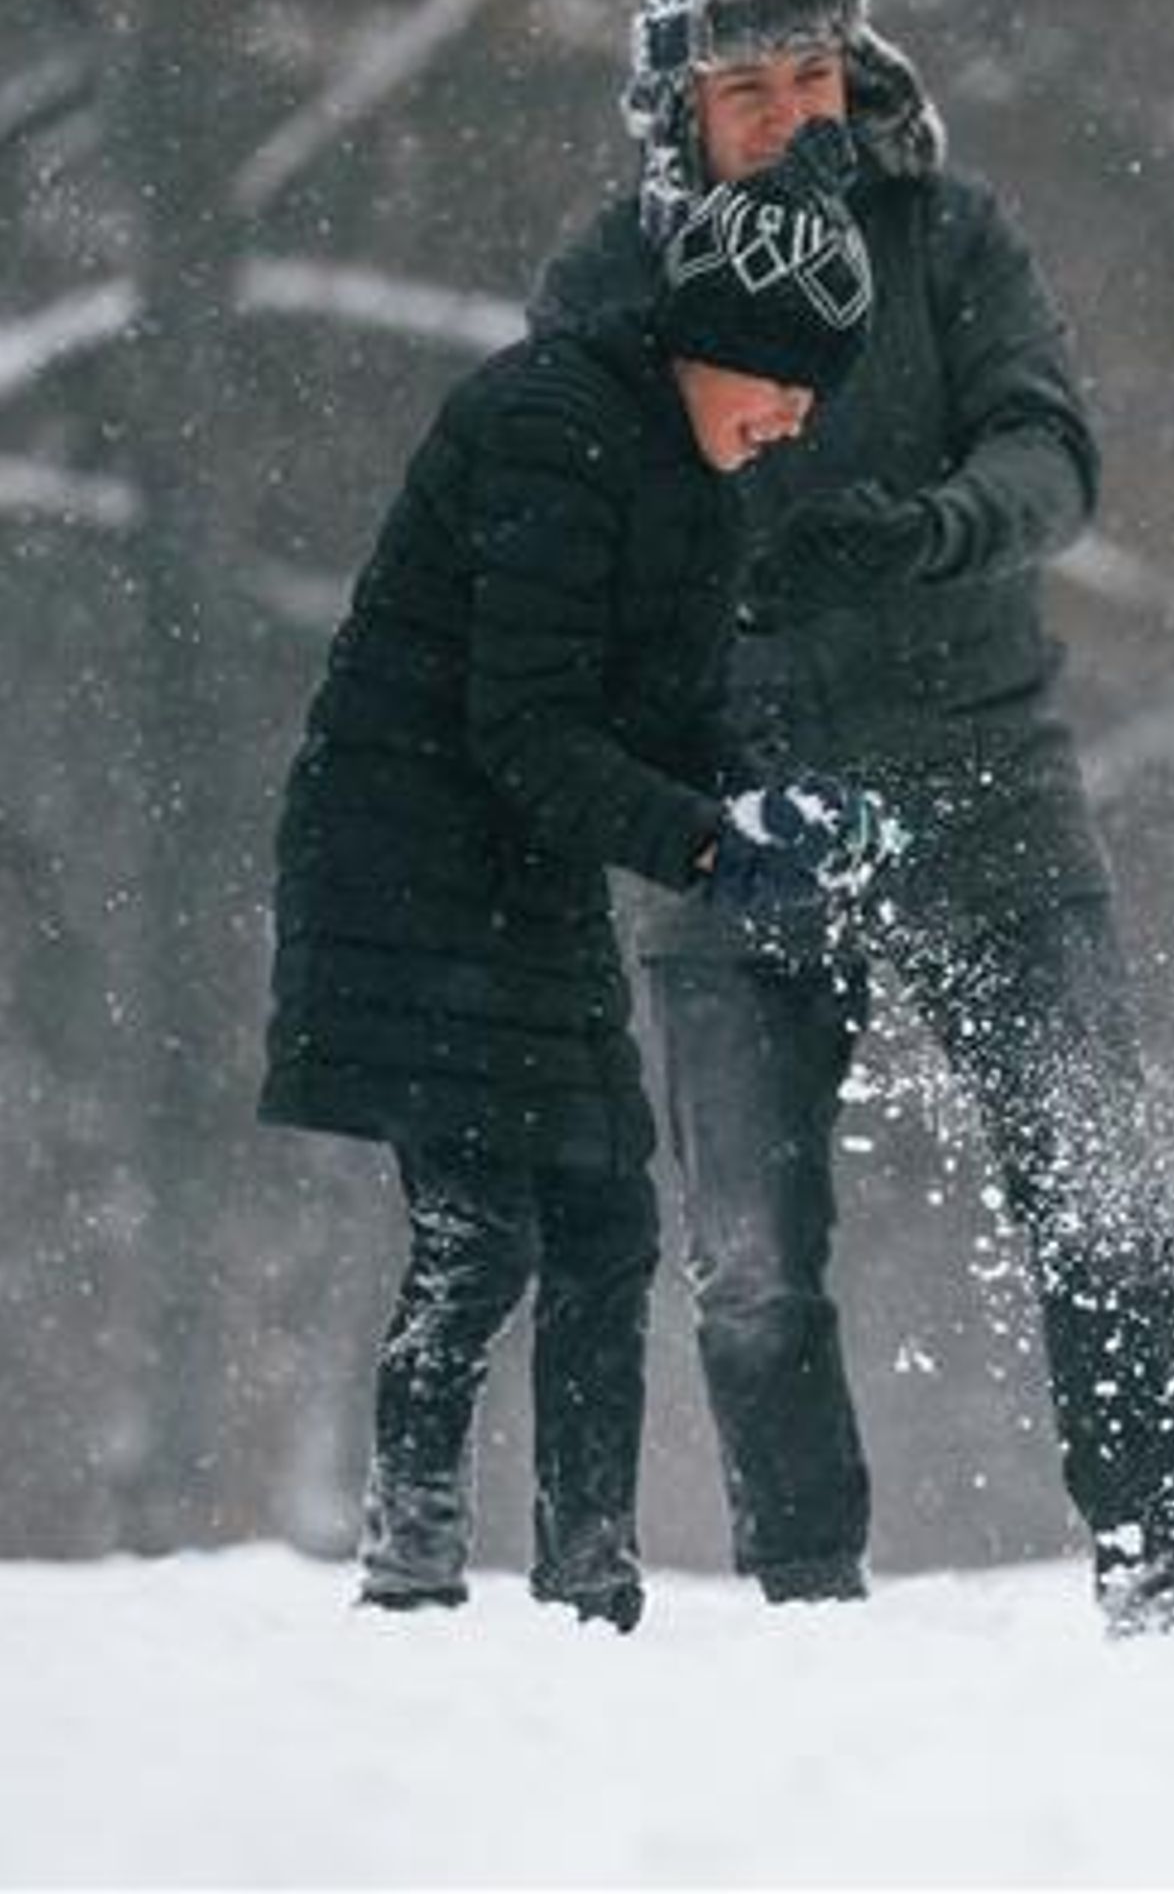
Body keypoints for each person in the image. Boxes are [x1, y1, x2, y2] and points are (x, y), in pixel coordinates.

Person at [528, 0, 1174, 1646]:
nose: (785, 112)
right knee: (752, 1268)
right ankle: (809, 1607)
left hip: (980, 774)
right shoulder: (614, 272)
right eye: (746, 85)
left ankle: (1161, 1574)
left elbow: (1052, 455)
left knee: (1096, 1198)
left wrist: (928, 532)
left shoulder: (949, 236)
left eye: (814, 77)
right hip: (725, 817)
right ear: (677, 108)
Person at [260, 128, 898, 1629]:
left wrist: (775, 806)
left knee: (606, 1219)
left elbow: (663, 713)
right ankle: (411, 1560)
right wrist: (703, 847)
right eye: (785, 380)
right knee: (483, 1227)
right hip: (405, 859)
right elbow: (524, 722)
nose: (796, 418)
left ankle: (587, 1578)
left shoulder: (694, 474)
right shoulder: (552, 422)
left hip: (527, 867)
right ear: (714, 339)